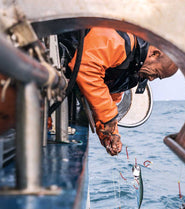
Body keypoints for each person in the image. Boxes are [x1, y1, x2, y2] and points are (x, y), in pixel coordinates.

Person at [69, 27, 178, 156]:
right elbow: (86, 68)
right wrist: (108, 117)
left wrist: (110, 133)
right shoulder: (118, 38)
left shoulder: (132, 71)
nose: (151, 79)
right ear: (154, 53)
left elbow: (106, 97)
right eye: (155, 73)